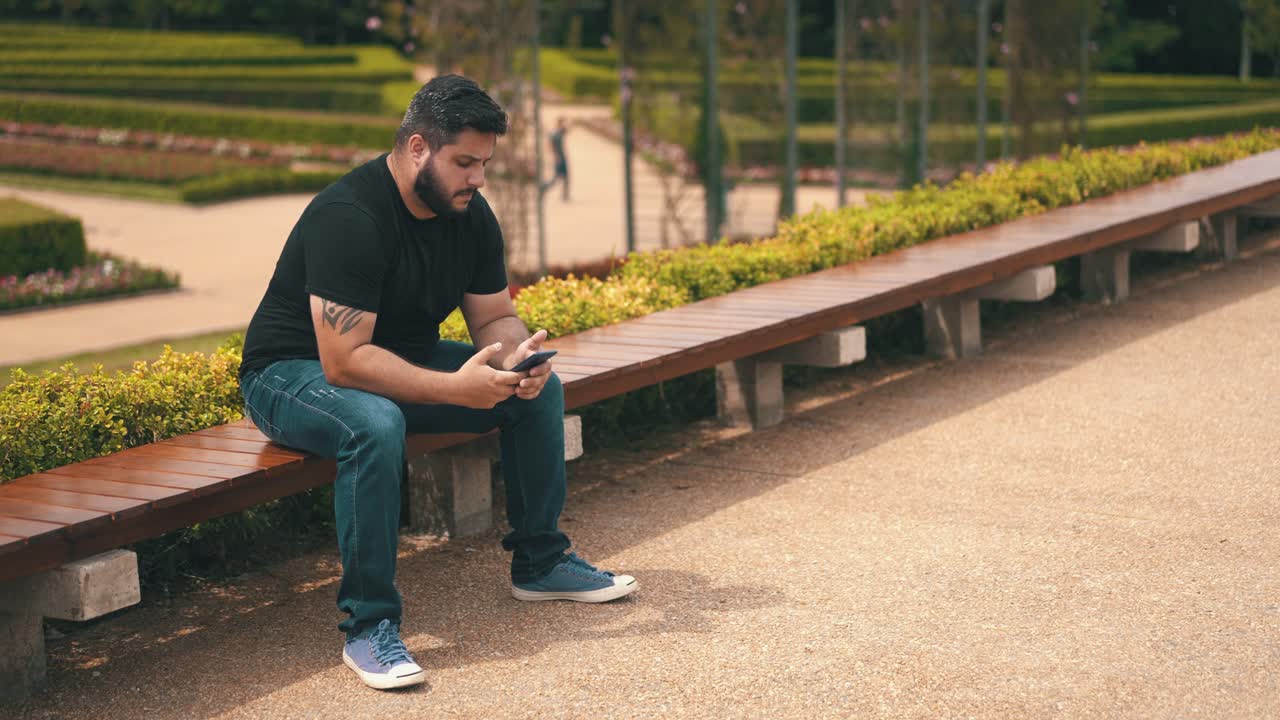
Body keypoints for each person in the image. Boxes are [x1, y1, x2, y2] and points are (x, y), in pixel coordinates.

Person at [237, 75, 637, 691]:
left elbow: (494, 316)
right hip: (292, 373)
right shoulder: (350, 216)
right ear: (418, 148)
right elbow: (344, 362)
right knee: (374, 424)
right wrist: (454, 389)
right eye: (465, 163)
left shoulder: (468, 214)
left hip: (398, 358)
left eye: (485, 163)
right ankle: (369, 625)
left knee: (538, 391)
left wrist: (517, 360)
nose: (479, 179)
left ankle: (541, 563)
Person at [541, 116, 570, 201]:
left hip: (562, 157)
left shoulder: (559, 132)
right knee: (556, 178)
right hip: (559, 158)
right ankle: (543, 188)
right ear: (559, 123)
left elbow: (567, 129)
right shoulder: (555, 134)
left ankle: (565, 195)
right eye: (563, 123)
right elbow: (549, 145)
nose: (564, 125)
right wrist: (556, 156)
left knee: (565, 177)